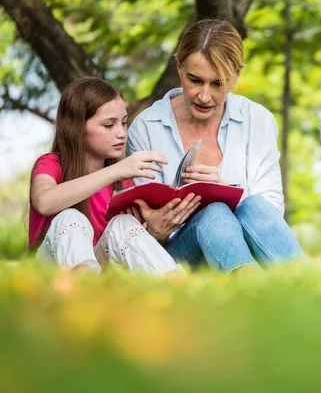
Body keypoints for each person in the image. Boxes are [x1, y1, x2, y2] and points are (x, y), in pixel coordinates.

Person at [127, 19, 305, 273]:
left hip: (250, 240)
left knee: (251, 204)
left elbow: (270, 210)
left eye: (218, 83)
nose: (204, 96)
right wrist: (154, 228)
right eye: (195, 80)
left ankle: (301, 281)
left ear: (236, 77)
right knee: (215, 212)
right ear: (179, 68)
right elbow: (136, 227)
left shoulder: (258, 120)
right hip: (176, 254)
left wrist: (227, 190)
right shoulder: (147, 127)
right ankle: (256, 286)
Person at [29, 77, 196, 275]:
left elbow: (127, 248)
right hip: (48, 273)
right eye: (109, 125)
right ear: (77, 128)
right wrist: (115, 170)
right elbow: (44, 202)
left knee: (124, 223)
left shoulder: (123, 182)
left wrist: (155, 231)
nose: (122, 133)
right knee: (70, 216)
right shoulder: (51, 164)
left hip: (101, 275)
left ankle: (173, 286)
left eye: (124, 123)